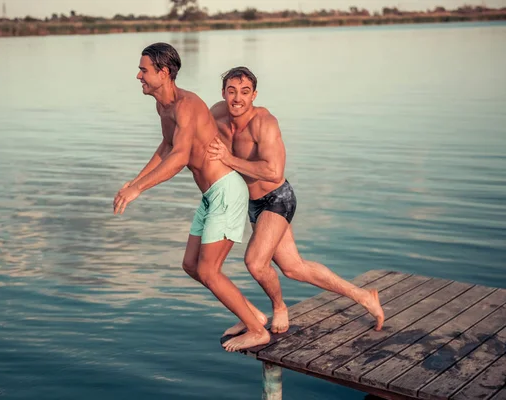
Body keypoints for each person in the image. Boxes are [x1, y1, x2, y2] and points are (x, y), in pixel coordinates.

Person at [113, 44, 270, 352]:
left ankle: (256, 330)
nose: (138, 76)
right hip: (211, 194)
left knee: (209, 271)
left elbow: (180, 156)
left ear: (163, 72)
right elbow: (166, 147)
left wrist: (138, 189)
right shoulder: (164, 107)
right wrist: (136, 179)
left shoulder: (187, 105)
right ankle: (252, 314)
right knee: (191, 265)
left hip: (227, 190)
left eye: (143, 70)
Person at [208, 66, 385, 336]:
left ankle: (279, 307)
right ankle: (364, 296)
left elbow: (273, 171)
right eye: (231, 91)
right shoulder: (217, 114)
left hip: (278, 199)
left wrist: (228, 159)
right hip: (254, 204)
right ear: (223, 93)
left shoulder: (264, 123)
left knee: (256, 263)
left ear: (254, 94)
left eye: (245, 92)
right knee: (294, 268)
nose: (237, 98)